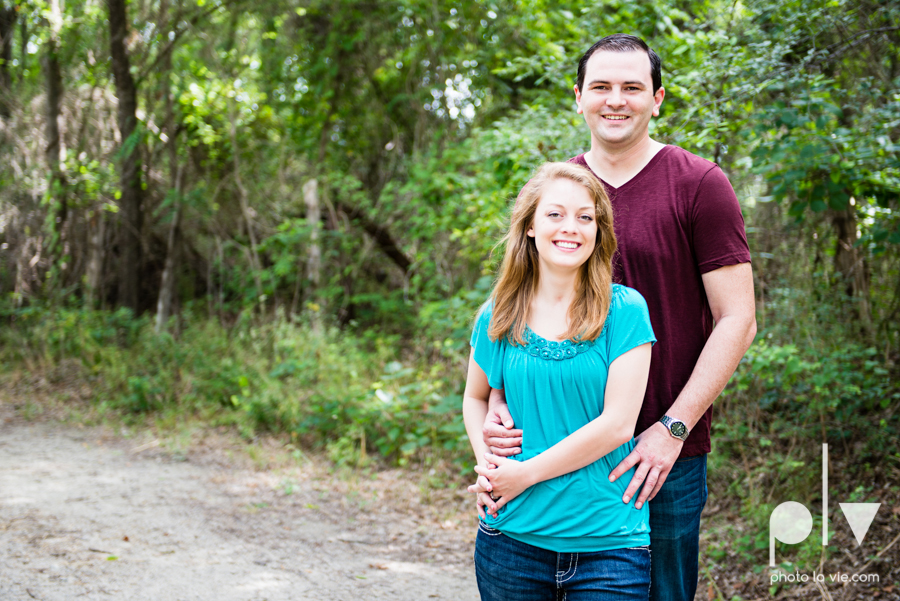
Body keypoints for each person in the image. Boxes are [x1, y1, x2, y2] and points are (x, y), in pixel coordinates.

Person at [478, 34, 757, 601]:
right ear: (578, 97)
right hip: (552, 452)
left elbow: (738, 319)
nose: (616, 100)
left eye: (632, 87)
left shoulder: (700, 185)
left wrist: (673, 428)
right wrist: (500, 394)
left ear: (657, 99)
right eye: (601, 86)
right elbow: (518, 304)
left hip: (659, 457)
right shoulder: (558, 192)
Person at [463, 161, 657, 600]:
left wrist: (524, 475)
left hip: (609, 543)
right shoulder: (501, 311)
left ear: (598, 232)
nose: (570, 227)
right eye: (555, 214)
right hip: (511, 539)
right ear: (530, 226)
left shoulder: (624, 311)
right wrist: (490, 469)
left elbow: (617, 425)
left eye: (585, 217)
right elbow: (475, 398)